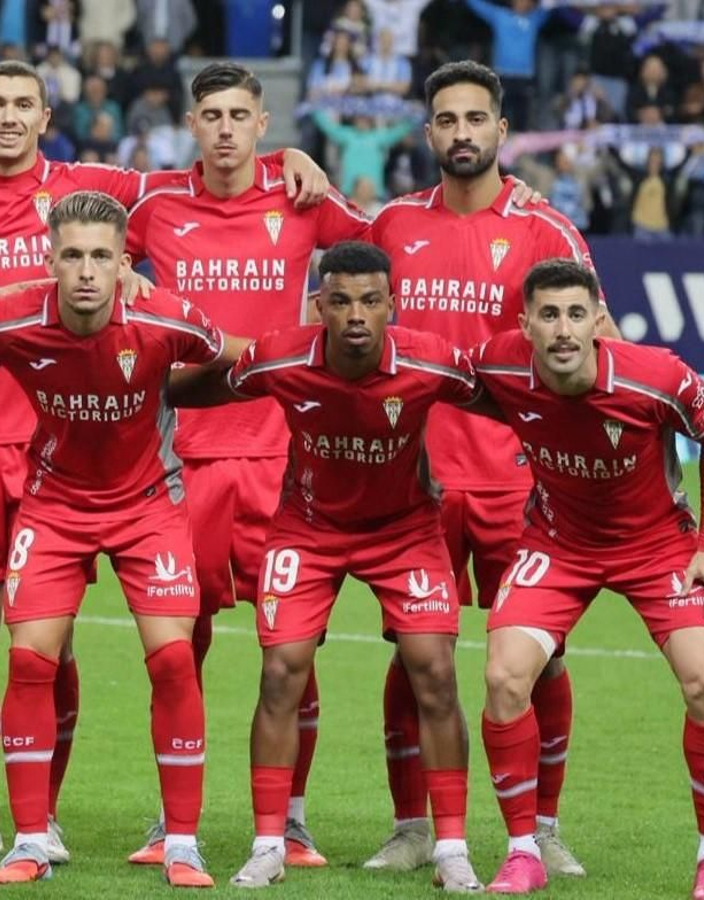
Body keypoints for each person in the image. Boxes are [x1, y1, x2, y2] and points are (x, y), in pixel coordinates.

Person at [170, 241, 484, 892]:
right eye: (340, 301)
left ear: (391, 306)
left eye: (371, 301)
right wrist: (128, 382)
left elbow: (503, 399)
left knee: (436, 673)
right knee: (282, 671)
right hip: (307, 529)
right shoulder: (281, 356)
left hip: (405, 531)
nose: (356, 315)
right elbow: (205, 388)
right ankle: (268, 844)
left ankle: (451, 848)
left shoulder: (430, 361)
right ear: (321, 307)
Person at [362, 60, 610, 876]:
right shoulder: (391, 225)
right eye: (446, 119)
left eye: (476, 118)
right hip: (414, 483)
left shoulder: (549, 232)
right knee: (414, 654)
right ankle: (412, 827)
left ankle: (541, 827)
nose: (461, 132)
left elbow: (591, 349)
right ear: (427, 132)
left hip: (518, 481)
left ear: (501, 132)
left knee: (543, 659)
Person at [122, 62, 370, 867]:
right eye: (210, 115)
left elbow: (382, 249)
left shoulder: (300, 197)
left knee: (290, 650)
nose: (225, 128)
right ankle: (172, 821)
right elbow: (79, 243)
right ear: (191, 125)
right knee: (175, 647)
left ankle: (291, 819)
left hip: (282, 457)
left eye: (239, 115)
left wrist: (315, 169)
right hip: (181, 454)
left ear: (264, 125)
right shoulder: (155, 204)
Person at [0, 190, 230, 887]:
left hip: (147, 506)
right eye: (71, 255)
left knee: (171, 661)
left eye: (101, 256)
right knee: (32, 661)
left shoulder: (165, 318)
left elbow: (233, 360)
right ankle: (31, 841)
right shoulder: (14, 320)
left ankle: (183, 843)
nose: (85, 271)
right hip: (55, 506)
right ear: (51, 260)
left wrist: (181, 397)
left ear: (123, 262)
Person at [471, 260, 704, 899]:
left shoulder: (657, 377)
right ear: (525, 324)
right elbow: (437, 380)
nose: (562, 330)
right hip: (559, 543)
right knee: (504, 677)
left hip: (656, 546)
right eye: (548, 315)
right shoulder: (499, 364)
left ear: (598, 318)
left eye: (574, 314)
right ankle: (521, 853)